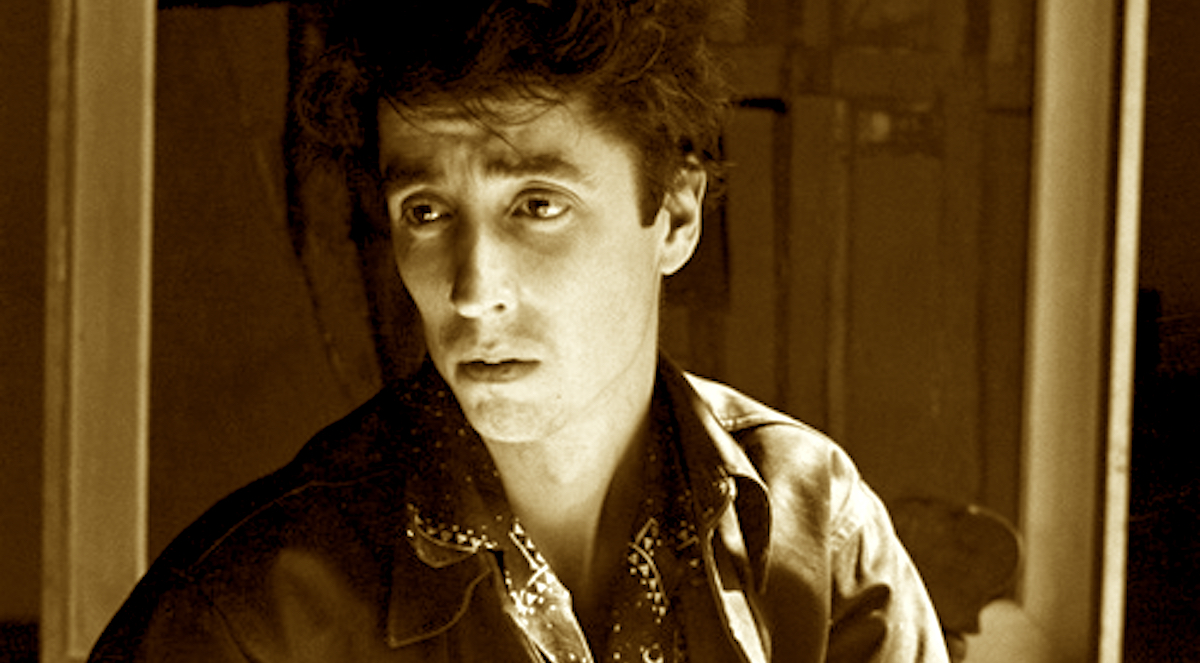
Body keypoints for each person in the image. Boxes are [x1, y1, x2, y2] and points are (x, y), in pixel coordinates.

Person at [90, 0, 949, 661]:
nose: (473, 290)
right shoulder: (247, 615)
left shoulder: (811, 532)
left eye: (537, 205)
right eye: (426, 212)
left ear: (677, 214)